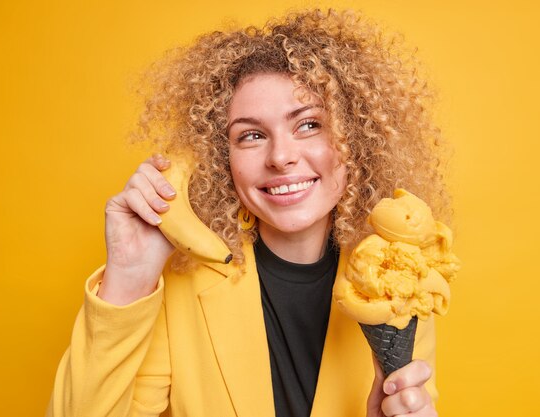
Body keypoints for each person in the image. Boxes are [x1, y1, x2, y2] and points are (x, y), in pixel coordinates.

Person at [47, 9, 450, 417]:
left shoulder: (396, 283)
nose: (281, 157)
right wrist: (128, 279)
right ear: (224, 159)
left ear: (356, 139)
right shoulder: (179, 286)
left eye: (309, 124)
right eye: (251, 135)